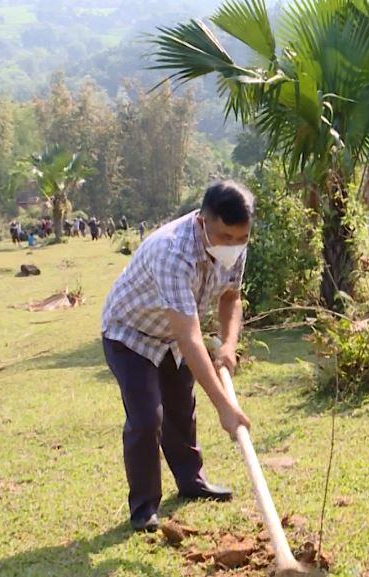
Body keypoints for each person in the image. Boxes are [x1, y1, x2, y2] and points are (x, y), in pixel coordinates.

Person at [100, 180, 253, 532]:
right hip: (130, 333)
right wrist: (225, 408)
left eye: (240, 238)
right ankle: (143, 508)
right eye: (225, 237)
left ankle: (191, 481)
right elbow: (190, 338)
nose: (233, 246)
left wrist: (228, 345)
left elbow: (231, 297)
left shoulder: (235, 244)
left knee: (181, 409)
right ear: (202, 222)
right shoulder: (172, 251)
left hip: (173, 334)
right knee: (146, 418)